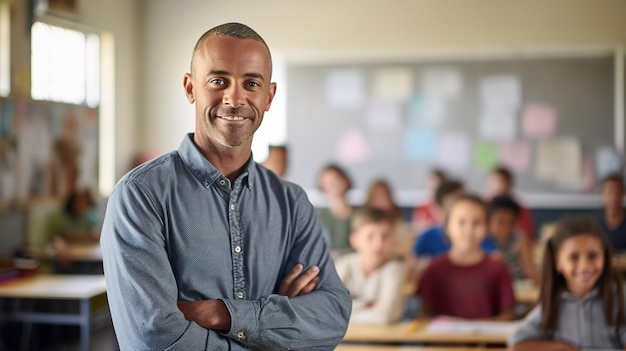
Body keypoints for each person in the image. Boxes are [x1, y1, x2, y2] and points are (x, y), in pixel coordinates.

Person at [100, 23, 351, 350]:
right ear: (190, 88)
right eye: (218, 81)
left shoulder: (291, 203)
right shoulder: (139, 196)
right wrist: (277, 327)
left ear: (269, 96)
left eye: (251, 83)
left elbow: (331, 317)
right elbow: (154, 338)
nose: (235, 98)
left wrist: (223, 313)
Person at [508, 217, 626, 350]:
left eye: (593, 256)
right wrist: (562, 347)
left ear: (605, 256)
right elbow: (516, 345)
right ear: (557, 262)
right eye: (573, 257)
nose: (584, 266)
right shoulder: (554, 303)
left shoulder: (619, 296)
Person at [418, 194, 516, 320]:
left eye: (476, 223)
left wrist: (481, 326)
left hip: (485, 339)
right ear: (447, 227)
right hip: (444, 339)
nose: (469, 230)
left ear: (487, 228)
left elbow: (508, 314)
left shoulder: (497, 268)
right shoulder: (433, 269)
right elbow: (423, 314)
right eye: (461, 222)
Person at [335, 207, 405, 324]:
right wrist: (366, 305)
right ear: (354, 240)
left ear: (393, 240)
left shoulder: (395, 268)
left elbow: (385, 316)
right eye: (370, 236)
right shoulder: (344, 263)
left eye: (385, 236)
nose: (378, 244)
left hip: (383, 339)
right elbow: (328, 310)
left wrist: (345, 311)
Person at [487, 195, 538, 282]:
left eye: (511, 223)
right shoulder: (482, 239)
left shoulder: (520, 239)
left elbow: (530, 271)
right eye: (500, 222)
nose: (505, 228)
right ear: (488, 220)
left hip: (518, 287)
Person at [362, 179, 412, 258]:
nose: (382, 200)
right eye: (377, 197)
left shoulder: (400, 225)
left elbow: (408, 249)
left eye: (385, 196)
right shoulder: (363, 224)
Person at [486, 166, 536, 241]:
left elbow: (528, 236)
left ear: (510, 184)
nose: (499, 185)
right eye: (495, 181)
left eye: (503, 181)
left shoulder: (521, 210)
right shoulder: (482, 207)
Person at [316, 163, 354, 253]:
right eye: (329, 184)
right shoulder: (319, 217)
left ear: (346, 181)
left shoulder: (362, 213)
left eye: (336, 181)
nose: (334, 186)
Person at [597, 173, 626, 252]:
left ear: (623, 194)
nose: (613, 197)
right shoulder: (595, 224)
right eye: (609, 192)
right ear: (602, 194)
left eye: (617, 193)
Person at [411, 169, 446, 234]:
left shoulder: (447, 205)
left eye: (438, 182)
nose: (435, 186)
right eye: (432, 181)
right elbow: (417, 229)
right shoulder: (422, 206)